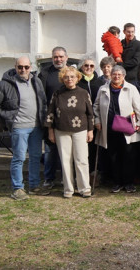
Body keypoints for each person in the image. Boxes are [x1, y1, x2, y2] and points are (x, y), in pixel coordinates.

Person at [0, 56, 48, 200]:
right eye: (20, 67)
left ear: (30, 67)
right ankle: (17, 188)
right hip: (19, 127)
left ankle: (34, 185)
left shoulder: (36, 81)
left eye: (26, 67)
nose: (23, 70)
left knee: (35, 157)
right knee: (19, 158)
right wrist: (6, 118)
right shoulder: (3, 84)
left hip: (36, 127)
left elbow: (42, 102)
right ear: (15, 67)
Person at [93, 65, 140, 193]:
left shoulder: (131, 88)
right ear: (110, 75)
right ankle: (117, 182)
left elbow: (138, 107)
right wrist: (97, 120)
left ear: (124, 76)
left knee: (129, 156)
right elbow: (96, 106)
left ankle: (129, 183)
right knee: (114, 157)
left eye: (119, 74)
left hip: (127, 128)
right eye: (114, 74)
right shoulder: (103, 89)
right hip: (110, 128)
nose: (116, 76)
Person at [46, 66, 94, 198]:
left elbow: (90, 114)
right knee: (65, 161)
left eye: (72, 76)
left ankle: (84, 188)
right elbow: (50, 113)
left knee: (81, 159)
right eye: (66, 77)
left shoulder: (83, 93)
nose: (69, 79)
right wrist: (51, 131)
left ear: (77, 78)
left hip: (80, 130)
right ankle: (68, 189)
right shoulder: (57, 93)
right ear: (62, 79)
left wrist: (90, 130)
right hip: (61, 131)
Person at [39, 46, 69, 189]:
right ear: (52, 58)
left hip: (68, 120)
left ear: (66, 58)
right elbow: (41, 97)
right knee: (50, 151)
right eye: (56, 57)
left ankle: (66, 178)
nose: (58, 59)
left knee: (67, 151)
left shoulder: (71, 73)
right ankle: (49, 179)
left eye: (61, 56)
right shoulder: (45, 74)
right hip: (50, 118)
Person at [77, 58, 105, 174]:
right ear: (82, 67)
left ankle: (93, 172)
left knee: (94, 147)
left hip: (96, 118)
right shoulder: (77, 82)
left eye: (92, 66)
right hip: (81, 119)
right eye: (86, 65)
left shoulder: (99, 83)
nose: (89, 68)